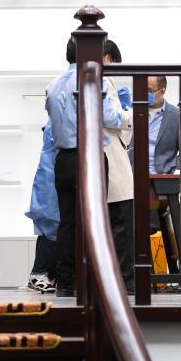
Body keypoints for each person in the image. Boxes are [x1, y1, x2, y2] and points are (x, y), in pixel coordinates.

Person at [45, 38, 123, 298]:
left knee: (67, 222)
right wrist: (126, 112)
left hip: (63, 160)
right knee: (94, 221)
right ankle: (92, 281)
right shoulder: (94, 81)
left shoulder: (53, 85)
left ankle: (66, 283)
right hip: (90, 157)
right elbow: (110, 117)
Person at [102, 40, 135, 293]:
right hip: (110, 156)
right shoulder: (103, 79)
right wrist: (133, 113)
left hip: (110, 154)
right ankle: (125, 282)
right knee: (121, 224)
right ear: (107, 58)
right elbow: (112, 118)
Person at [25, 123, 59, 293]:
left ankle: (47, 274)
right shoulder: (56, 125)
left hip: (52, 178)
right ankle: (39, 273)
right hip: (51, 181)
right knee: (51, 228)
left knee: (54, 228)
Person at [127, 75, 180, 175]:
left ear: (163, 91)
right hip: (132, 176)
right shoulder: (130, 112)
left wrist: (172, 169)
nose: (144, 94)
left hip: (161, 179)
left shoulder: (176, 116)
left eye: (149, 91)